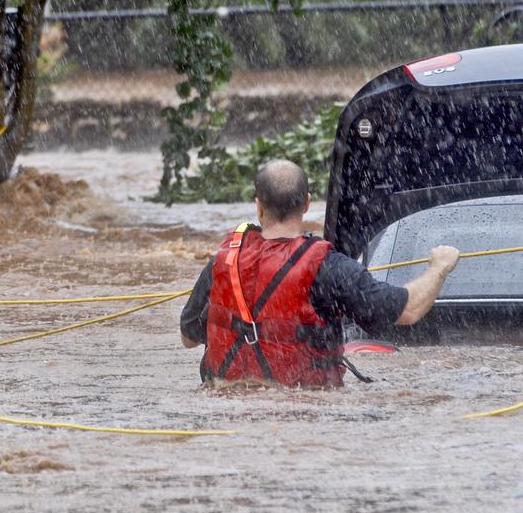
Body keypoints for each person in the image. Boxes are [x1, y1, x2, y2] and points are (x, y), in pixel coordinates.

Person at [179, 159, 460, 387]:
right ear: (306, 204)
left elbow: (188, 339)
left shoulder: (223, 261)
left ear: (259, 207)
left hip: (227, 409)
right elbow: (408, 310)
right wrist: (439, 267)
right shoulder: (329, 267)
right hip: (306, 410)